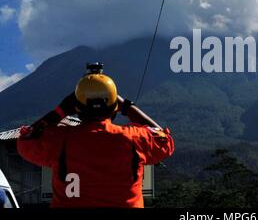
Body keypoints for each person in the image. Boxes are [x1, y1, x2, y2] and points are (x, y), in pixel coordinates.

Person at [17, 63, 174, 208]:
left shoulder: (60, 139)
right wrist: (127, 106)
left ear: (76, 107)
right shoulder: (134, 139)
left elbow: (27, 139)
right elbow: (164, 139)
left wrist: (60, 110)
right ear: (115, 108)